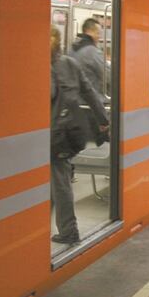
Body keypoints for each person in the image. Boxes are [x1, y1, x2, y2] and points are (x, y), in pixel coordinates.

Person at [50, 26, 108, 245]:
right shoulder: (69, 63)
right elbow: (90, 93)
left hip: (54, 134)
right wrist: (103, 120)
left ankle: (69, 231)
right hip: (68, 131)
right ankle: (64, 228)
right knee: (58, 180)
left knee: (59, 182)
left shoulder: (46, 67)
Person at [70, 18, 108, 100]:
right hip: (93, 101)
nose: (99, 36)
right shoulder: (92, 52)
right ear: (89, 31)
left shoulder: (72, 49)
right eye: (98, 33)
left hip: (75, 100)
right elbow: (108, 75)